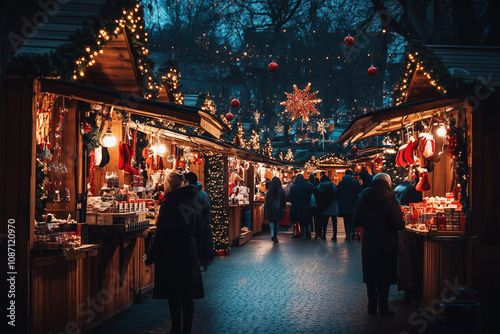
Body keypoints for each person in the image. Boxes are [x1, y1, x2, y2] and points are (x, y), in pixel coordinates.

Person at [144, 170, 204, 334]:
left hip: (173, 252)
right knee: (187, 294)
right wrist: (197, 254)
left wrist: (151, 255)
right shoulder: (192, 199)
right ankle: (186, 329)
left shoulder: (170, 202)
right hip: (189, 251)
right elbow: (199, 231)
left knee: (174, 294)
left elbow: (161, 232)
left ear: (168, 185)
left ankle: (176, 328)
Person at [353, 173, 405, 316]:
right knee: (385, 275)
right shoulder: (390, 198)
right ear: (387, 183)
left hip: (369, 242)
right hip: (388, 242)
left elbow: (356, 221)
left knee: (371, 275)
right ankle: (383, 306)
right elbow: (399, 224)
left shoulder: (363, 197)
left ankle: (371, 306)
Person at [185, 172, 214, 271]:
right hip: (205, 223)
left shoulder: (194, 195)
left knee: (199, 244)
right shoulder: (203, 193)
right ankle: (204, 261)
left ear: (187, 181)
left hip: (200, 224)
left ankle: (200, 263)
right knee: (204, 243)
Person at [337, 169, 362, 241]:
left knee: (346, 221)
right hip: (354, 204)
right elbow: (360, 193)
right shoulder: (355, 183)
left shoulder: (340, 183)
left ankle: (347, 234)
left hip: (344, 205)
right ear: (351, 175)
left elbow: (337, 195)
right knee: (353, 220)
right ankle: (353, 233)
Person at [287, 174, 314, 240]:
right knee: (306, 221)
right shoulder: (309, 186)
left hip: (297, 206)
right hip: (306, 206)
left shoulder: (294, 187)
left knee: (300, 221)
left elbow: (290, 197)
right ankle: (308, 233)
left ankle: (303, 234)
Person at [314, 175, 338, 241]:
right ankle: (334, 235)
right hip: (333, 205)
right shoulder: (333, 186)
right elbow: (337, 195)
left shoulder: (318, 187)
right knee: (334, 222)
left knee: (325, 222)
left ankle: (323, 235)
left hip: (324, 206)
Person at [263, 176, 287, 243]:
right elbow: (284, 199)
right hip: (278, 208)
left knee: (271, 221)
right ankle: (275, 236)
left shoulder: (269, 190)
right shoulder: (281, 190)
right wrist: (283, 207)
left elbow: (266, 199)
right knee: (276, 222)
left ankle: (272, 234)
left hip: (270, 208)